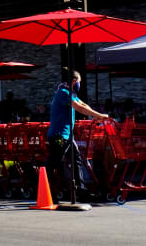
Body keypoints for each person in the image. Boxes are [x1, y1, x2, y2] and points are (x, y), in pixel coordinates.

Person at [46, 71, 108, 199]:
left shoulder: (70, 93)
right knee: (54, 164)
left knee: (77, 160)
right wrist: (99, 116)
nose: (80, 84)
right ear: (74, 81)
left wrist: (95, 114)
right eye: (79, 81)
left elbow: (82, 104)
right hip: (59, 136)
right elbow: (78, 107)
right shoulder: (64, 93)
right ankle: (47, 189)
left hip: (68, 136)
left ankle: (80, 190)